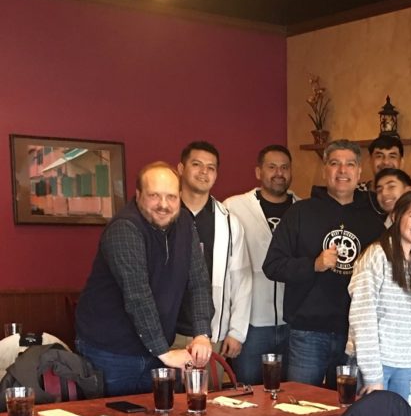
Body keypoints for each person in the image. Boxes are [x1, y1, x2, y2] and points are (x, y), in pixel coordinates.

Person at [75, 162, 212, 394]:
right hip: (111, 351)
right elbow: (138, 296)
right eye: (154, 196)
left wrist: (201, 334)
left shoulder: (185, 223)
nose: (163, 205)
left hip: (155, 349)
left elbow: (199, 282)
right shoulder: (124, 228)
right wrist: (165, 353)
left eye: (171, 197)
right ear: (138, 195)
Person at [262, 140, 384, 388]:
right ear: (324, 170)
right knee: (301, 407)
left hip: (355, 333)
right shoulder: (300, 213)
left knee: (346, 409)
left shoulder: (374, 219)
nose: (342, 170)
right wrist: (313, 265)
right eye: (335, 163)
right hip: (308, 331)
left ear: (359, 172)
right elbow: (272, 265)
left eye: (350, 164)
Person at [347, 190, 411, 407]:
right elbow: (363, 317)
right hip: (375, 363)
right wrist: (373, 376)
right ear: (397, 215)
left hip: (406, 364)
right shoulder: (376, 255)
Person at [224, 145, 300, 386]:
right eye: (272, 167)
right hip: (251, 324)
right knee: (248, 393)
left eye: (285, 167)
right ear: (258, 172)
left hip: (293, 323)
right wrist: (231, 326)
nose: (279, 173)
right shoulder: (234, 207)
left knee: (290, 394)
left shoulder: (303, 208)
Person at [173, 141, 249, 363]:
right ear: (180, 168)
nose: (203, 172)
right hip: (167, 332)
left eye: (211, 167)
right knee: (165, 396)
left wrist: (236, 332)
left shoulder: (228, 222)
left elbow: (241, 279)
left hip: (211, 333)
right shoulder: (164, 214)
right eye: (196, 164)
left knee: (208, 396)